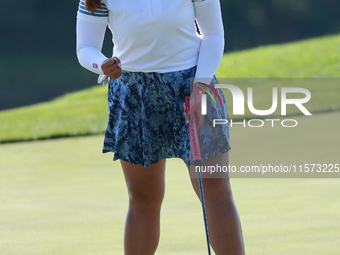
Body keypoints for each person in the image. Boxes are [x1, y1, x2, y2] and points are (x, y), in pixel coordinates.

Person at [76, 0, 245, 254]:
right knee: (143, 197)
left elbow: (213, 35)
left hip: (192, 85)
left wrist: (200, 86)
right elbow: (86, 47)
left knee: (214, 188)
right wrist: (101, 64)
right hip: (133, 94)